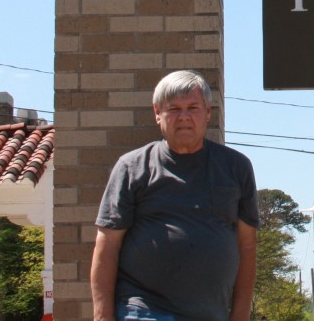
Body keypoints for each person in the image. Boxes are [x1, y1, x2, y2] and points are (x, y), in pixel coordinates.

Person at [90, 70, 260, 321]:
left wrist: (240, 315)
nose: (184, 117)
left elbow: (247, 246)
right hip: (144, 310)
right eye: (174, 109)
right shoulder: (132, 167)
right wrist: (102, 316)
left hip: (210, 314)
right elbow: (107, 244)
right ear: (158, 113)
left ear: (208, 112)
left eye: (193, 107)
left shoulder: (236, 168)